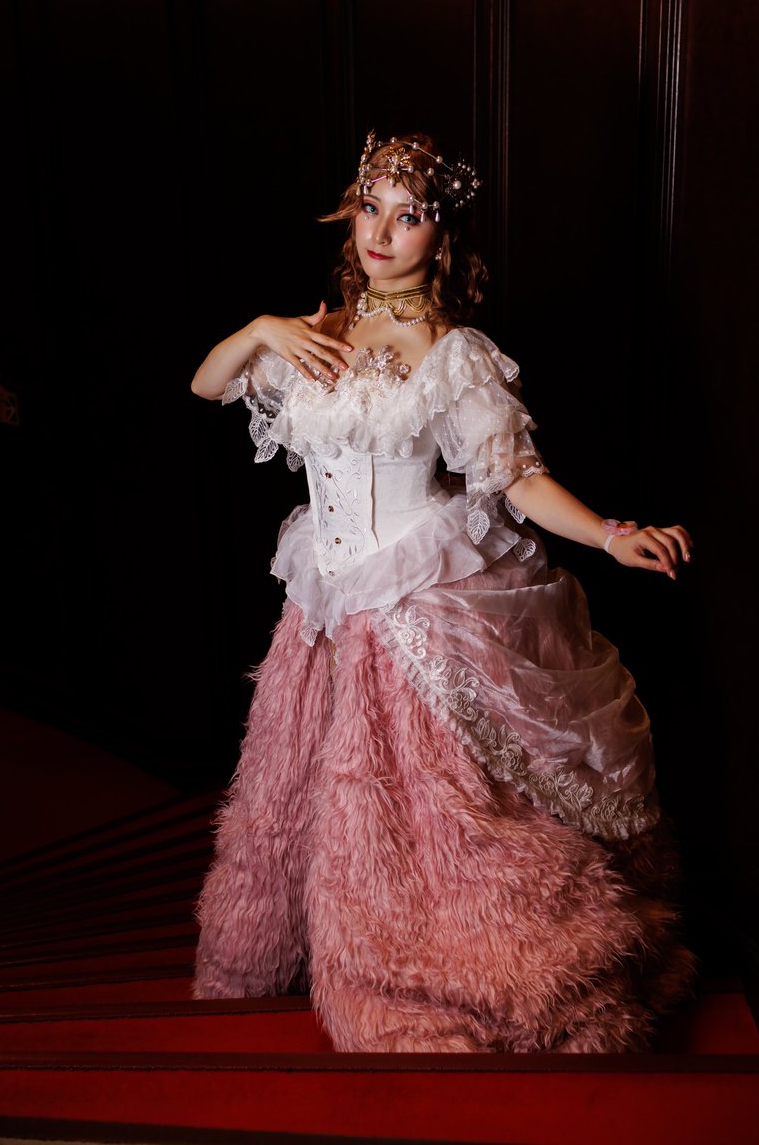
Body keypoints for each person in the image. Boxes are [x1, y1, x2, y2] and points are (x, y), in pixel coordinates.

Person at [190, 130, 697, 1053]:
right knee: (295, 798)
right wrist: (263, 329)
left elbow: (517, 477)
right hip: (324, 605)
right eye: (370, 207)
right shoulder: (315, 333)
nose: (382, 232)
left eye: (409, 215)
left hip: (411, 605)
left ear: (441, 236)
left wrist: (611, 534)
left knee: (423, 826)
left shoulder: (453, 353)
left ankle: (428, 977)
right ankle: (286, 947)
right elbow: (206, 383)